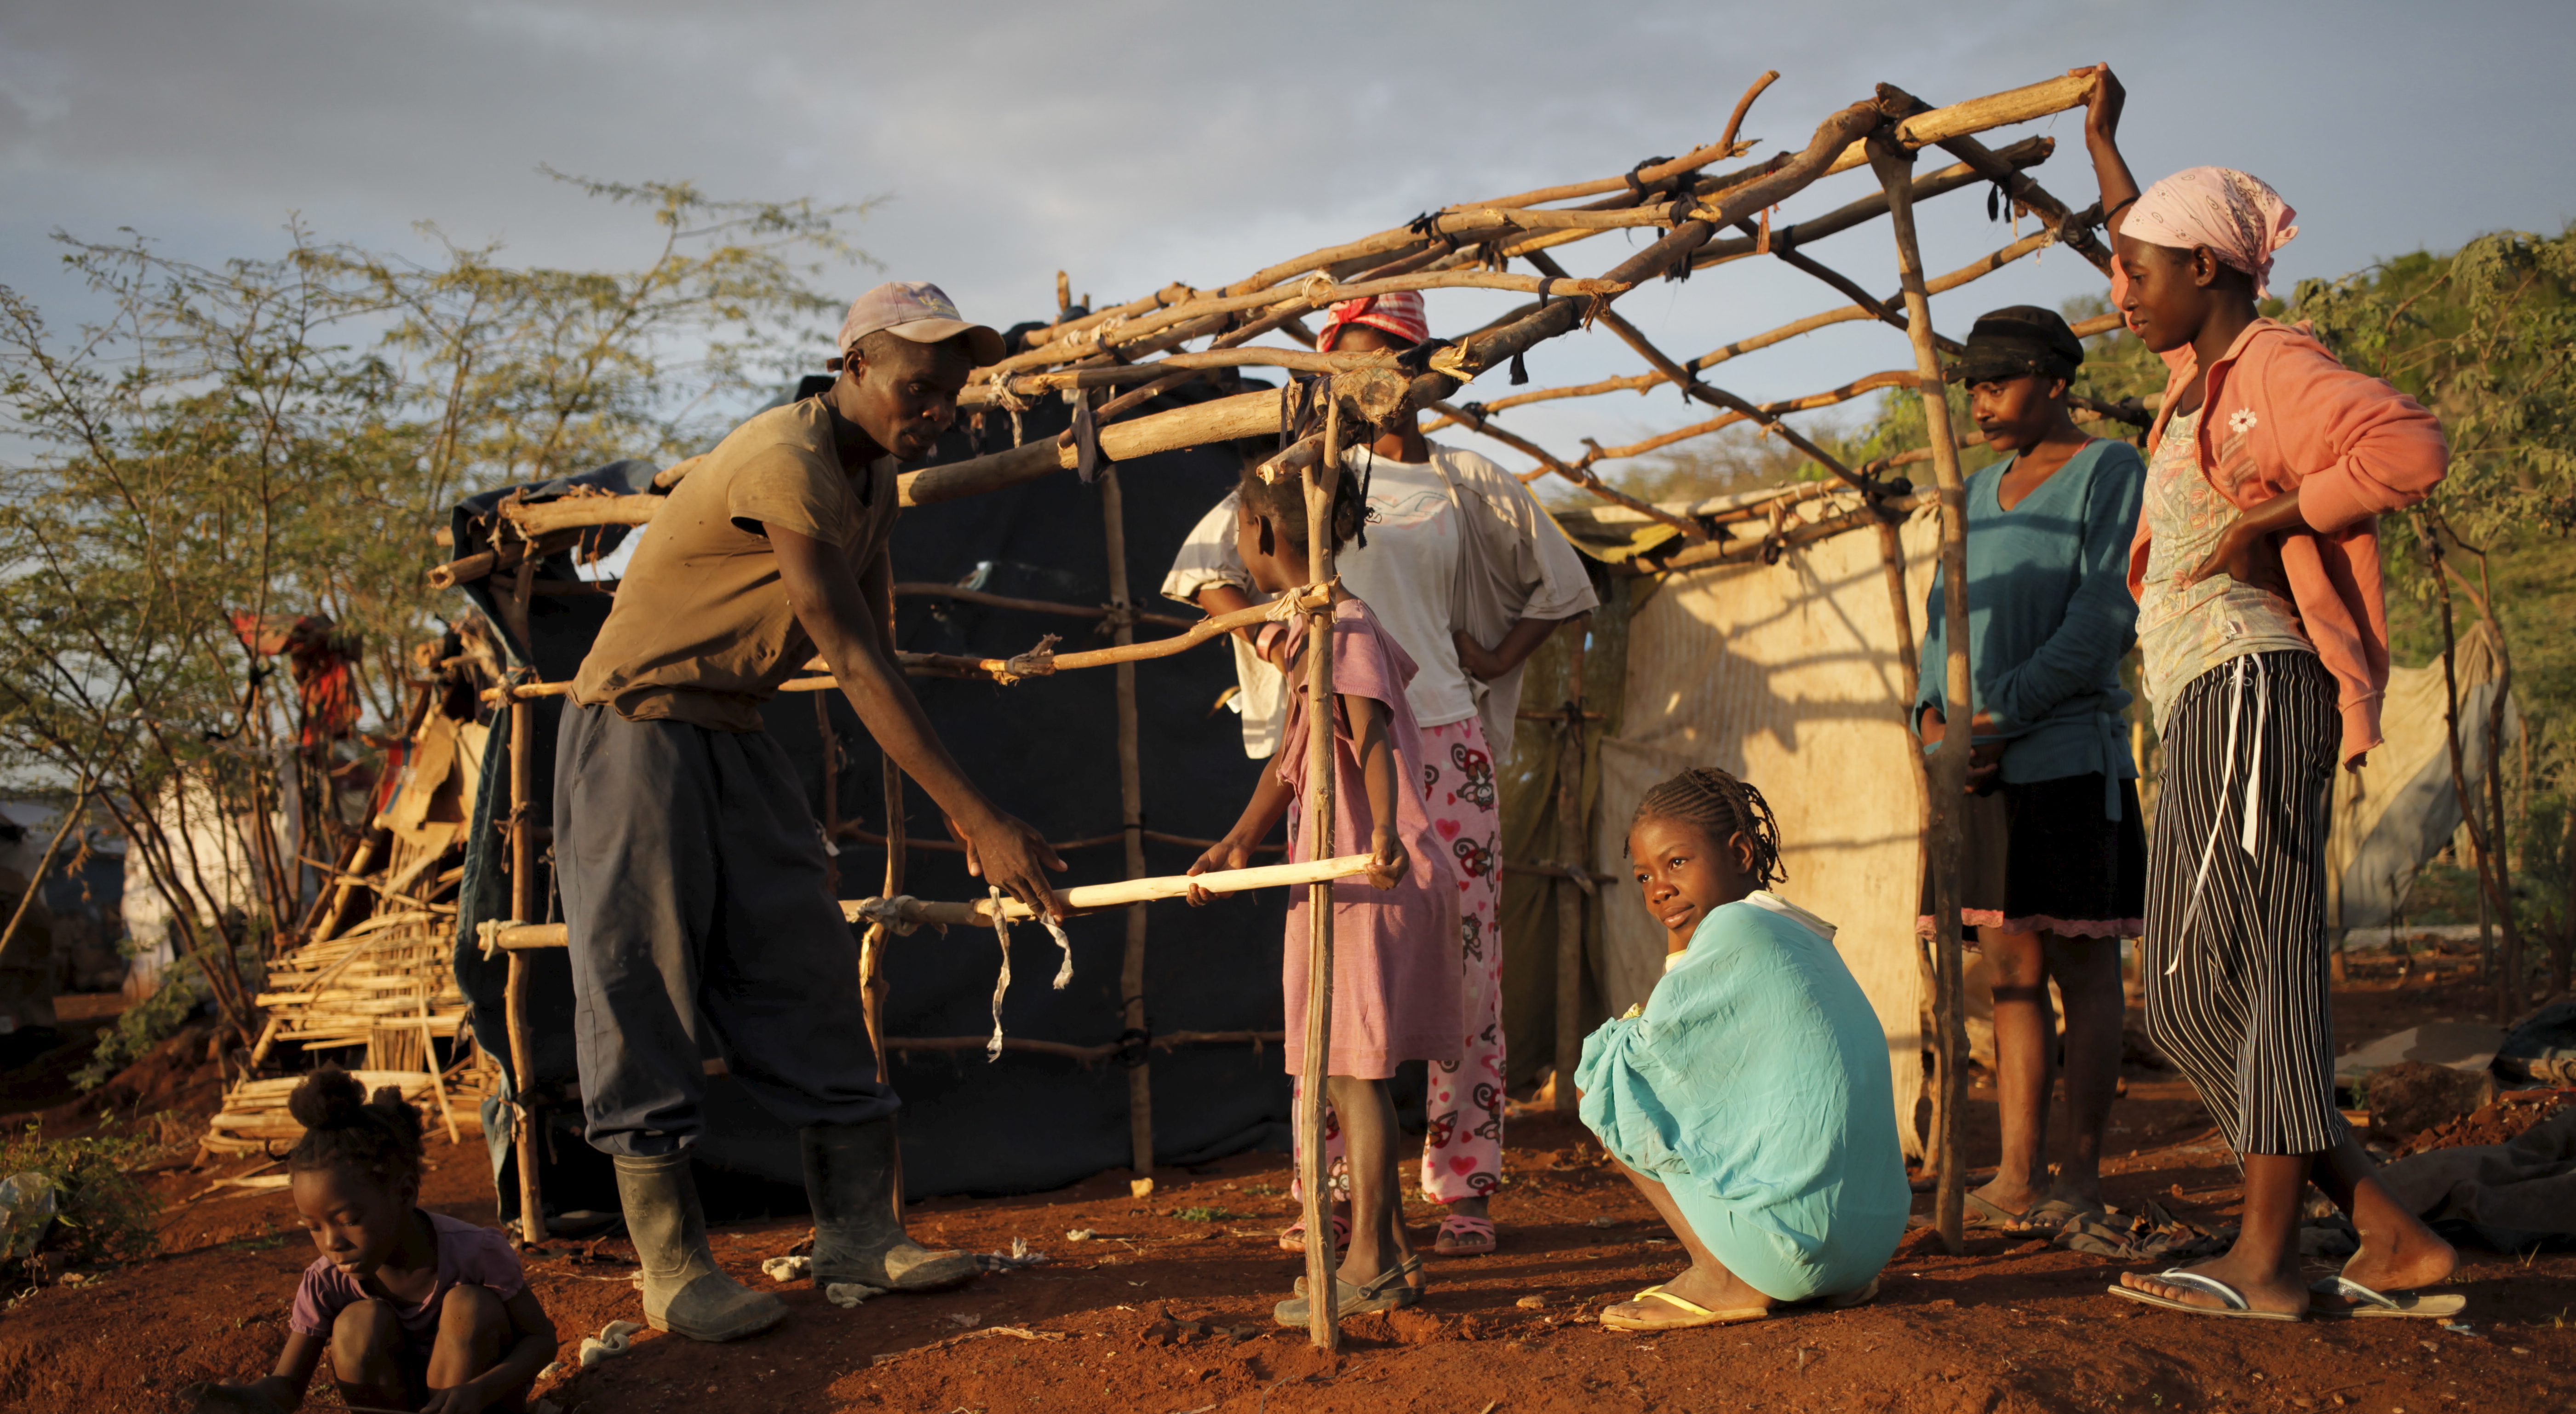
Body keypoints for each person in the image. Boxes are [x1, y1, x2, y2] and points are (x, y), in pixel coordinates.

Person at [556, 282, 1066, 1342]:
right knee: (639, 972)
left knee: (806, 959)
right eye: (917, 387)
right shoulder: (785, 459)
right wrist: (975, 816)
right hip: (637, 724)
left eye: (950, 394)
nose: (936, 410)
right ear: (855, 370)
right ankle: (673, 1266)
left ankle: (856, 1232)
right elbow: (843, 647)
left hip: (733, 728)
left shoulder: (868, 487)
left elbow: (871, 653)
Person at [2073, 66, 2463, 1321]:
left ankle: (2266, 1261)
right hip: (2204, 696)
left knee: (2243, 962)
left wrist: (2279, 521)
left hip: (2255, 681)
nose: (2118, 291)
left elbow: (2410, 445)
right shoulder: (2198, 371)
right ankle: (2385, 1230)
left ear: (2210, 273)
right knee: (2195, 990)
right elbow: (2149, 234)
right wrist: (2101, 146)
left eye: (2139, 273)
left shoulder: (2275, 365)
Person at [1161, 290, 1598, 1257]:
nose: (1369, 379)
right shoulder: (1303, 475)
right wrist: (1281, 644)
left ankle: (1462, 1185)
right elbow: (1207, 569)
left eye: (1389, 356)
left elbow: (1566, 588)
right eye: (1347, 360)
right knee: (1333, 965)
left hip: (1442, 737)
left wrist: (1489, 656)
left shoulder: (1466, 481)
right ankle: (1327, 1192)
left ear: (1424, 362)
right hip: (1332, 746)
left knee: (1466, 963)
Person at [1184, 454, 1462, 1324]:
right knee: (1346, 1071)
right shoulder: (1317, 627)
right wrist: (1237, 843)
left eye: (1237, 531)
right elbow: (1296, 758)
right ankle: (1393, 1255)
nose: (1236, 547)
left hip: (1360, 870)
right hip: (1338, 865)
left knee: (1352, 1072)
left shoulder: (1338, 623)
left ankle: (1371, 1259)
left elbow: (1368, 733)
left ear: (1264, 533)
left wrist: (1379, 832)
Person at [1913, 305, 2147, 1235]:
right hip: (1973, 764)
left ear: (2055, 381)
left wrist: (1992, 718)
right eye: (1971, 384)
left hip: (2064, 758)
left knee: (2083, 967)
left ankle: (2078, 1178)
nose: (1980, 401)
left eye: (1998, 382)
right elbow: (1941, 620)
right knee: (2007, 969)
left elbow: (2102, 619)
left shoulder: (2108, 471)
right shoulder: (1969, 491)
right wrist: (1936, 721)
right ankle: (2014, 1176)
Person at [1580, 768, 1908, 1332]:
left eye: (1676, 863)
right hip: (1869, 1249)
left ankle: (1723, 1275)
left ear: (1739, 852)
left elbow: (1642, 1055)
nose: (1658, 888)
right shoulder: (1795, 929)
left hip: (1794, 1256)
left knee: (1604, 1078)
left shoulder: (1732, 929)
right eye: (1643, 876)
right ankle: (1780, 1264)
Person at [193, 1069, 555, 1413]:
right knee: (356, 1324)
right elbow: (286, 1387)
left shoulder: (476, 1253)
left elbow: (541, 1340)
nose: (332, 1242)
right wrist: (246, 1399)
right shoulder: (325, 1284)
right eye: (313, 1227)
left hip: (479, 1406)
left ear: (405, 1194)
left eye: (349, 1221)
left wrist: (481, 1390)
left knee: (469, 1305)